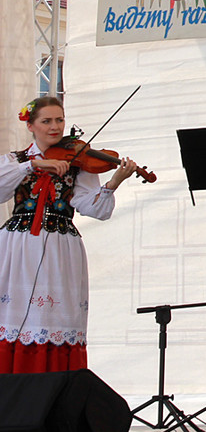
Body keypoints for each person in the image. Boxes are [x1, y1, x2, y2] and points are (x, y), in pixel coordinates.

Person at [0, 97, 138, 373]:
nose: (55, 127)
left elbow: (96, 210)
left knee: (53, 315)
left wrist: (114, 182)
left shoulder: (79, 163)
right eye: (46, 121)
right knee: (13, 314)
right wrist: (33, 165)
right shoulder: (16, 161)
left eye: (59, 120)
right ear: (31, 126)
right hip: (18, 247)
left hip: (59, 247)